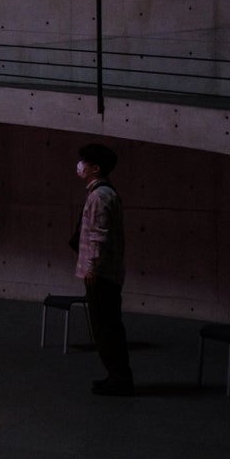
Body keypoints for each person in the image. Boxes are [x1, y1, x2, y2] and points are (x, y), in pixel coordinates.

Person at [73, 143, 133, 396]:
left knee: (106, 329)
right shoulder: (105, 193)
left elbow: (99, 236)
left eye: (84, 162)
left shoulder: (99, 196)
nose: (80, 166)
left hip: (102, 275)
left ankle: (119, 380)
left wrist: (91, 269)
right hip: (108, 273)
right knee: (108, 327)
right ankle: (116, 377)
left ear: (95, 168)